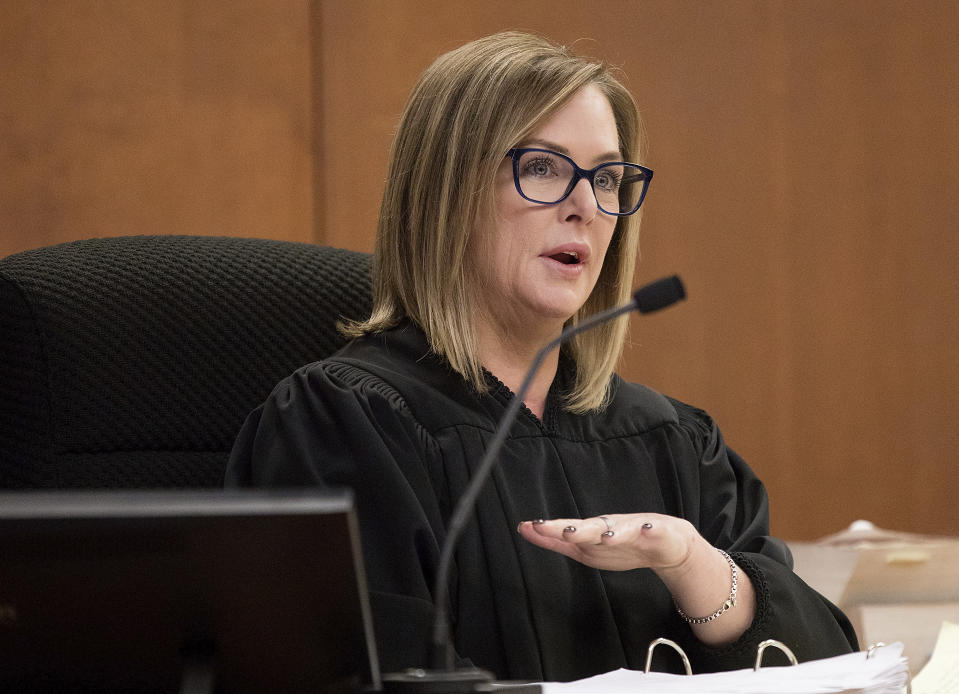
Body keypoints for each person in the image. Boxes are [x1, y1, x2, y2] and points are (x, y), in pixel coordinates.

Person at [226, 31, 857, 682]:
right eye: (542, 168)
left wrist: (693, 565)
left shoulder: (673, 443)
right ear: (448, 191)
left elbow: (834, 668)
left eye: (608, 179)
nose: (585, 206)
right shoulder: (345, 425)